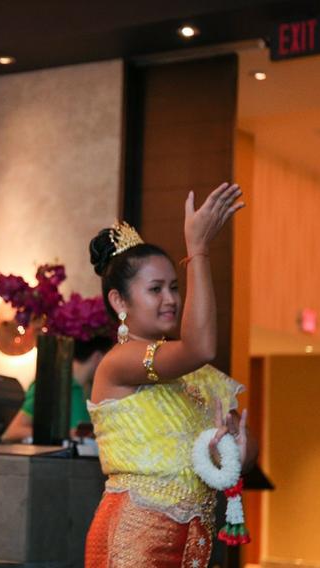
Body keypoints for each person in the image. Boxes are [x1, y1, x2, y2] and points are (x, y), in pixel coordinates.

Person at [84, 184, 258, 567]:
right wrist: (197, 250)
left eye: (175, 288)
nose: (172, 299)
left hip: (194, 538)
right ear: (119, 301)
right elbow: (200, 346)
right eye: (156, 289)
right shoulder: (119, 362)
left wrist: (238, 454)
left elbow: (232, 451)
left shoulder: (193, 375)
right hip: (135, 535)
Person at [2, 335, 113, 443]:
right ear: (98, 357)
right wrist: (65, 434)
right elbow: (12, 432)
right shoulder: (51, 385)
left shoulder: (89, 391)